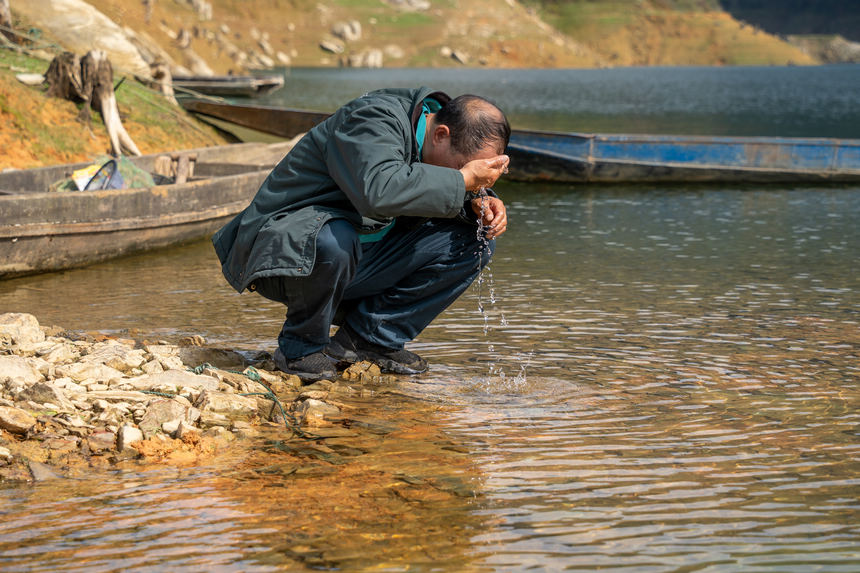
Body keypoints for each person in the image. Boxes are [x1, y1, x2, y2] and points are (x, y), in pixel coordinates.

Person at [212, 87, 511, 381]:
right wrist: (462, 180)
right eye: (465, 169)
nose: (470, 179)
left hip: (352, 254)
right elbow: (380, 191)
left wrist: (476, 201)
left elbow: (422, 185)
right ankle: (300, 348)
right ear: (441, 134)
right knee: (335, 239)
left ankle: (368, 340)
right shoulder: (373, 119)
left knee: (473, 240)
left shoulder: (432, 141)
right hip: (285, 254)